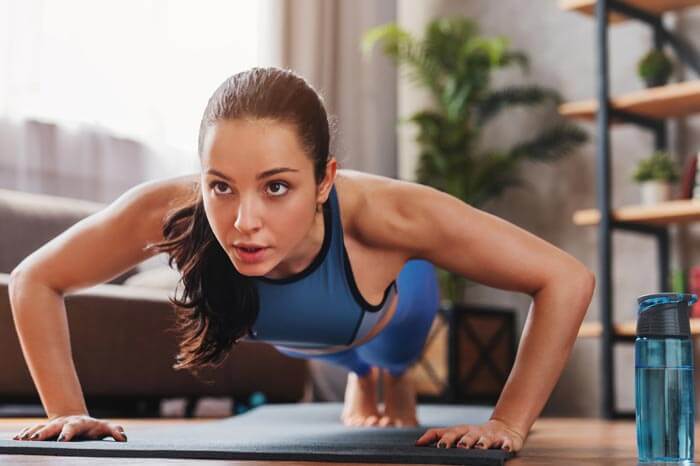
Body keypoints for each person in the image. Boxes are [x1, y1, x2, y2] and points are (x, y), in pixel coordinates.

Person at [9, 67, 595, 453]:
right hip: (301, 331)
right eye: (221, 186)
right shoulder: (169, 210)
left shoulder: (389, 214)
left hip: (389, 305)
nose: (243, 221)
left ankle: (386, 374)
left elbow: (565, 278)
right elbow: (36, 278)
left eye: (277, 187)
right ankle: (362, 377)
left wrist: (508, 422)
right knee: (332, 349)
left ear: (323, 181)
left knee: (390, 353)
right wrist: (67, 411)